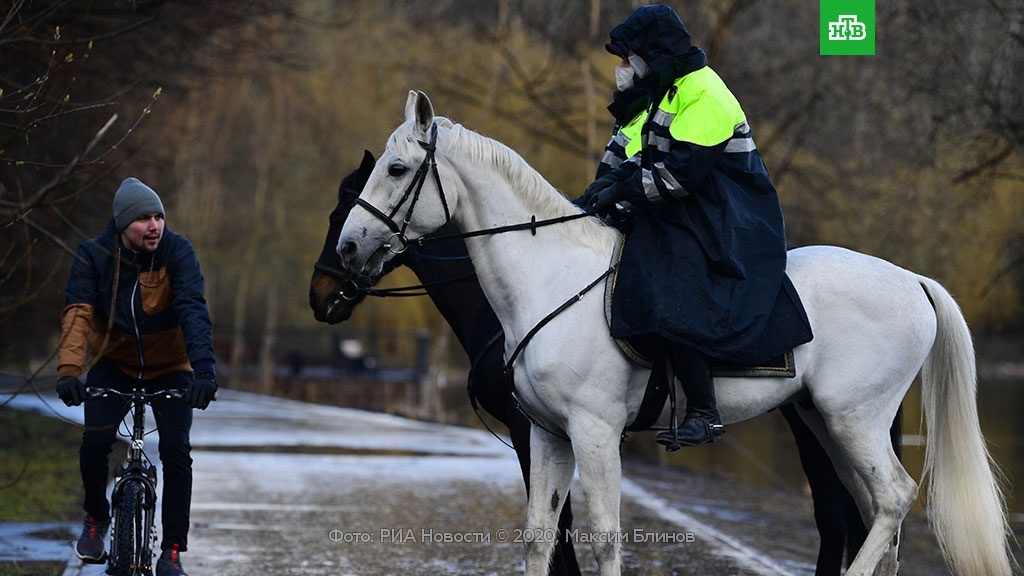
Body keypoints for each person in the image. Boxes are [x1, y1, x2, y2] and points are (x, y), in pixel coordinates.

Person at [576, 5, 813, 448]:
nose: (622, 68)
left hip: (732, 218)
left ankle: (705, 412)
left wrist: (620, 192)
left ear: (651, 54)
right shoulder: (670, 90)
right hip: (695, 208)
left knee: (669, 277)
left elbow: (678, 176)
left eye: (628, 58)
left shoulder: (703, 94)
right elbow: (641, 163)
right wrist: (602, 192)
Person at [55, 177, 217, 576]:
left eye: (159, 216)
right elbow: (78, 314)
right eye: (144, 218)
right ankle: (96, 517)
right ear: (123, 222)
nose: (155, 225)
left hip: (171, 367)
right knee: (95, 440)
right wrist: (69, 372)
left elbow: (193, 311)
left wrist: (205, 371)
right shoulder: (93, 256)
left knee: (176, 450)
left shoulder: (177, 252)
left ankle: (173, 549)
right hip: (115, 364)